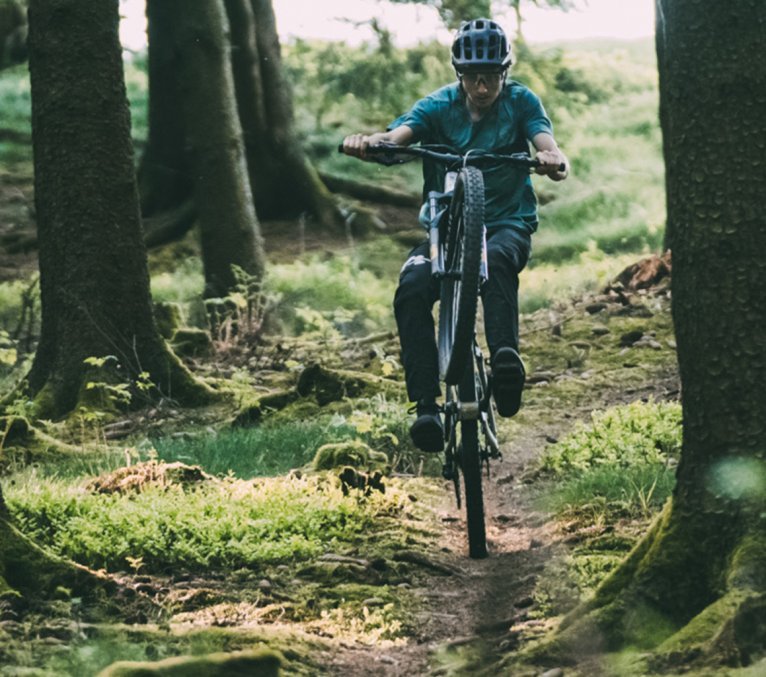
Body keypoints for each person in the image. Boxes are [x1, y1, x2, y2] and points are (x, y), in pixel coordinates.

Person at [342, 18, 569, 452]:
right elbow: (399, 137)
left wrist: (551, 157)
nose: (481, 87)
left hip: (506, 224)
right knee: (411, 288)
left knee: (499, 258)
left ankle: (506, 363)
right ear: (458, 74)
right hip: (444, 234)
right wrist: (373, 144)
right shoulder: (438, 106)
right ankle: (425, 404)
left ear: (505, 72)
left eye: (490, 77)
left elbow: (546, 142)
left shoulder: (521, 103)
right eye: (471, 77)